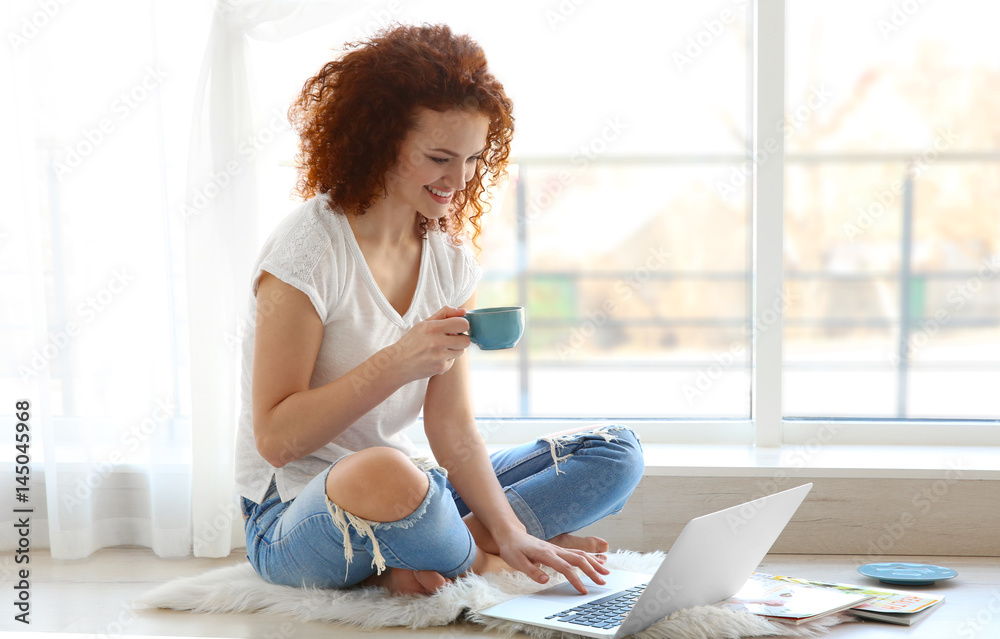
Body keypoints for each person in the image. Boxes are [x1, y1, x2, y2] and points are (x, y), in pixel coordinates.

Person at [235, 23, 644, 597]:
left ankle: (448, 547)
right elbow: (276, 440)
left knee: (614, 452)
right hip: (295, 516)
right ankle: (476, 560)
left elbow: (451, 427)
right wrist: (397, 362)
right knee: (385, 471)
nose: (460, 180)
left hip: (414, 490)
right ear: (379, 141)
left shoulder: (450, 260)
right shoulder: (305, 254)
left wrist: (509, 525)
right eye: (439, 158)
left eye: (474, 158)